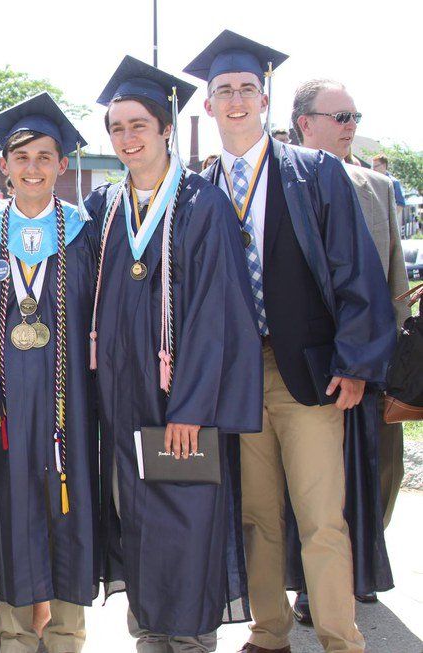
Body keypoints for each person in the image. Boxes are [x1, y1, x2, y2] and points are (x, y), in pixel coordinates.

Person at [185, 30, 396, 653]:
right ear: (208, 104)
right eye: (224, 90)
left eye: (247, 88)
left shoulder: (314, 172)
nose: (236, 99)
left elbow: (356, 270)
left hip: (307, 372)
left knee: (320, 516)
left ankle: (340, 639)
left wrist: (355, 362)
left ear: (265, 97)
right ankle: (269, 632)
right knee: (257, 516)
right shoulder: (198, 186)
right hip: (237, 377)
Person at [86, 56, 262, 653]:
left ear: (166, 129)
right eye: (117, 128)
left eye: (138, 125)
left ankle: (190, 640)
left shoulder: (201, 206)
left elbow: (217, 315)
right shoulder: (104, 207)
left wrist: (191, 407)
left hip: (179, 402)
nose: (127, 137)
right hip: (121, 399)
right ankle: (149, 633)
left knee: (186, 517)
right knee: (134, 516)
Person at [0, 92, 99, 653]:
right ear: (4, 166)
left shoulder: (85, 233)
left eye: (44, 157)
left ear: (62, 164)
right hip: (3, 408)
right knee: (10, 512)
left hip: (70, 406)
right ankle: (13, 632)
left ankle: (65, 634)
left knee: (68, 508)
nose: (32, 168)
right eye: (21, 157)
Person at [290, 77, 412, 622]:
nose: (351, 127)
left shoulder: (377, 188)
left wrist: (395, 360)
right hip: (310, 364)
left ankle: (362, 567)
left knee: (379, 469)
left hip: (370, 360)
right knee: (314, 481)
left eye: (355, 117)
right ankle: (312, 585)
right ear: (306, 123)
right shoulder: (283, 185)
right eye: (341, 118)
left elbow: (393, 279)